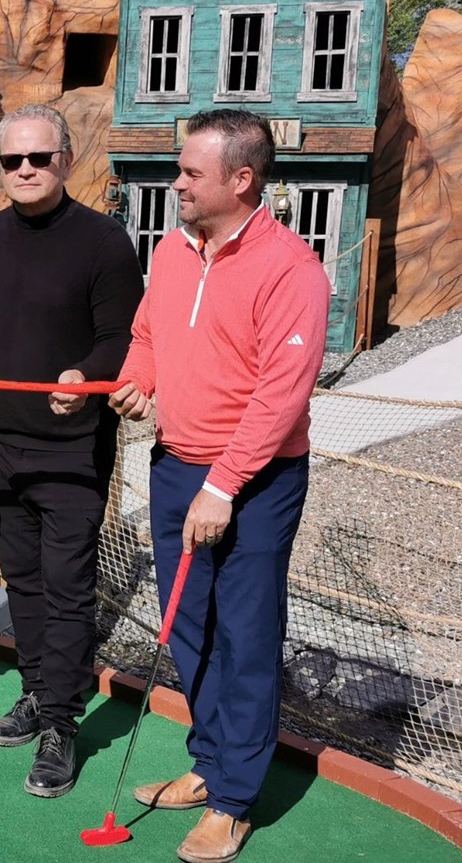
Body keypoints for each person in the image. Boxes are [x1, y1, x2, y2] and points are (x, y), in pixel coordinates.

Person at [109, 109, 327, 863]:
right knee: (189, 624)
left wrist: (224, 485)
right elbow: (147, 334)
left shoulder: (293, 268)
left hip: (255, 481)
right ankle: (210, 764)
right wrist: (138, 380)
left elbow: (281, 395)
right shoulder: (172, 249)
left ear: (242, 179)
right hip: (175, 465)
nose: (177, 184)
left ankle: (235, 798)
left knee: (247, 635)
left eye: (191, 173)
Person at [0, 104, 143, 797]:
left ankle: (63, 726)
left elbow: (121, 337)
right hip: (3, 444)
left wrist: (89, 376)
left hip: (75, 448)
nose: (25, 170)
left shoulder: (104, 241)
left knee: (69, 587)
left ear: (65, 160)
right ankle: (40, 692)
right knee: (25, 583)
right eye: (12, 160)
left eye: (39, 158)